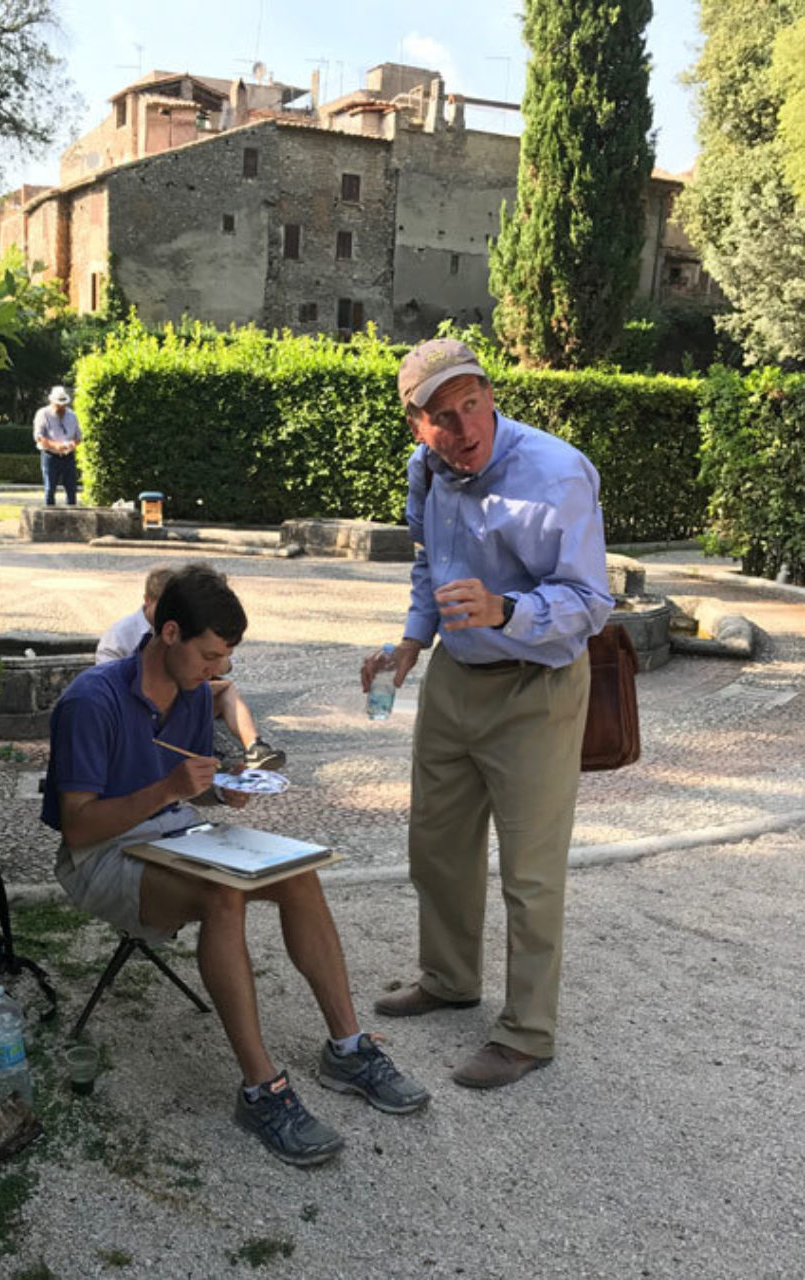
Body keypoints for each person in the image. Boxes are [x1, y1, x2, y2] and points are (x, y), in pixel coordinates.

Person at [44, 563, 429, 1165]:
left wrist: (218, 791)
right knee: (221, 895)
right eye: (209, 655)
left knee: (297, 869)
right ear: (168, 632)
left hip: (174, 831)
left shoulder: (194, 692)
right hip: (101, 855)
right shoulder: (91, 701)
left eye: (225, 658)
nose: (218, 671)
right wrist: (171, 789)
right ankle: (261, 1090)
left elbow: (186, 787)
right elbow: (78, 827)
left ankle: (348, 1048)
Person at [361, 337, 613, 1090]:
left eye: (474, 404)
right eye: (445, 415)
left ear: (491, 395)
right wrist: (409, 645)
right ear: (417, 425)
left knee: (530, 876)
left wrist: (505, 608)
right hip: (452, 680)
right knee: (435, 846)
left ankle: (528, 1034)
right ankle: (449, 978)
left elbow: (590, 605)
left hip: (536, 690)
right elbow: (424, 566)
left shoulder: (558, 473)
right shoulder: (425, 471)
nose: (465, 428)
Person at [97, 565, 286, 772]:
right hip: (139, 704)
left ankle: (254, 746)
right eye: (208, 656)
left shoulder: (195, 636)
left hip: (182, 695)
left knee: (223, 688)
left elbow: (224, 666)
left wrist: (219, 792)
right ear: (148, 601)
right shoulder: (119, 638)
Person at [33, 385, 81, 506]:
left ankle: (72, 517)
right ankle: (49, 518)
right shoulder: (43, 414)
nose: (61, 407)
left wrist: (72, 445)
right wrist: (55, 446)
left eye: (63, 404)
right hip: (50, 456)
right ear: (51, 401)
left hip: (68, 456)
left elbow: (78, 437)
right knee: (50, 489)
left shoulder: (72, 416)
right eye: (58, 404)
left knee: (71, 489)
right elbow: (39, 436)